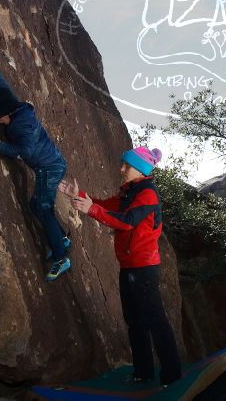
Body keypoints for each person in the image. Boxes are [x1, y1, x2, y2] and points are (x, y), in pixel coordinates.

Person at [60, 147, 182, 385]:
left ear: (141, 169)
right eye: (122, 164)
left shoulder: (147, 194)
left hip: (144, 268)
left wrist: (91, 210)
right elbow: (107, 205)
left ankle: (172, 375)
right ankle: (143, 372)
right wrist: (79, 195)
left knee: (155, 320)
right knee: (134, 320)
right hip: (129, 266)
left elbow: (127, 222)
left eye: (127, 165)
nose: (121, 169)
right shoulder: (131, 191)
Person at [0, 54, 72, 281]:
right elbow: (6, 93)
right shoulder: (15, 108)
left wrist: (0, 145)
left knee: (42, 207)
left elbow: (26, 152)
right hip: (50, 165)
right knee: (37, 205)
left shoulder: (22, 125)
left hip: (49, 168)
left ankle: (61, 258)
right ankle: (61, 238)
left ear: (4, 115)